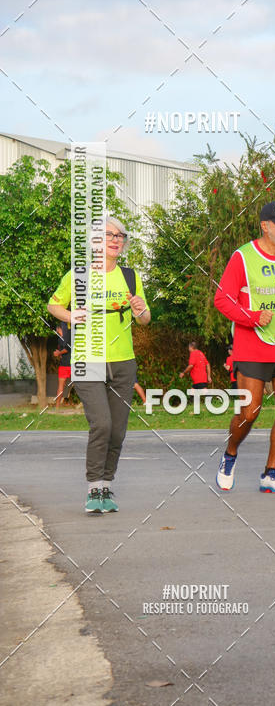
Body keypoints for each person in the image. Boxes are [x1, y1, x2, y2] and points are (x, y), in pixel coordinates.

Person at [48, 216, 150, 514]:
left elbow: (144, 319)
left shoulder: (130, 276)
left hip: (123, 363)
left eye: (121, 235)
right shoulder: (77, 276)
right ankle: (94, 488)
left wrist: (141, 311)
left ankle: (107, 484)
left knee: (117, 430)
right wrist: (71, 317)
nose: (117, 239)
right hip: (86, 360)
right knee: (102, 424)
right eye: (110, 235)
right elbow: (54, 305)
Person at [213, 201, 275, 493]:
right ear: (264, 226)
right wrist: (252, 317)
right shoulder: (243, 257)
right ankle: (230, 454)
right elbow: (222, 300)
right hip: (253, 346)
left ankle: (270, 473)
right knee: (250, 411)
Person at [53, 322, 72, 410]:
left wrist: (58, 353)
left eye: (57, 330)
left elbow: (67, 349)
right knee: (80, 385)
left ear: (59, 329)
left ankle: (57, 407)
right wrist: (59, 353)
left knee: (61, 386)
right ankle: (57, 407)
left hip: (67, 365)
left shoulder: (65, 338)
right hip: (72, 364)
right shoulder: (68, 336)